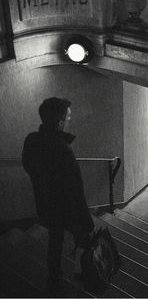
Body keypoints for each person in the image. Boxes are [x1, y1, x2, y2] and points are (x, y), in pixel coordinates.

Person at [22, 97, 94, 283]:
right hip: (66, 210)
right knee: (84, 243)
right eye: (68, 117)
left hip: (45, 205)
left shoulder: (32, 141)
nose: (69, 120)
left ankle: (54, 276)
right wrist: (86, 220)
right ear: (59, 121)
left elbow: (29, 166)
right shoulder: (63, 151)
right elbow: (76, 191)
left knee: (55, 239)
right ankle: (85, 279)